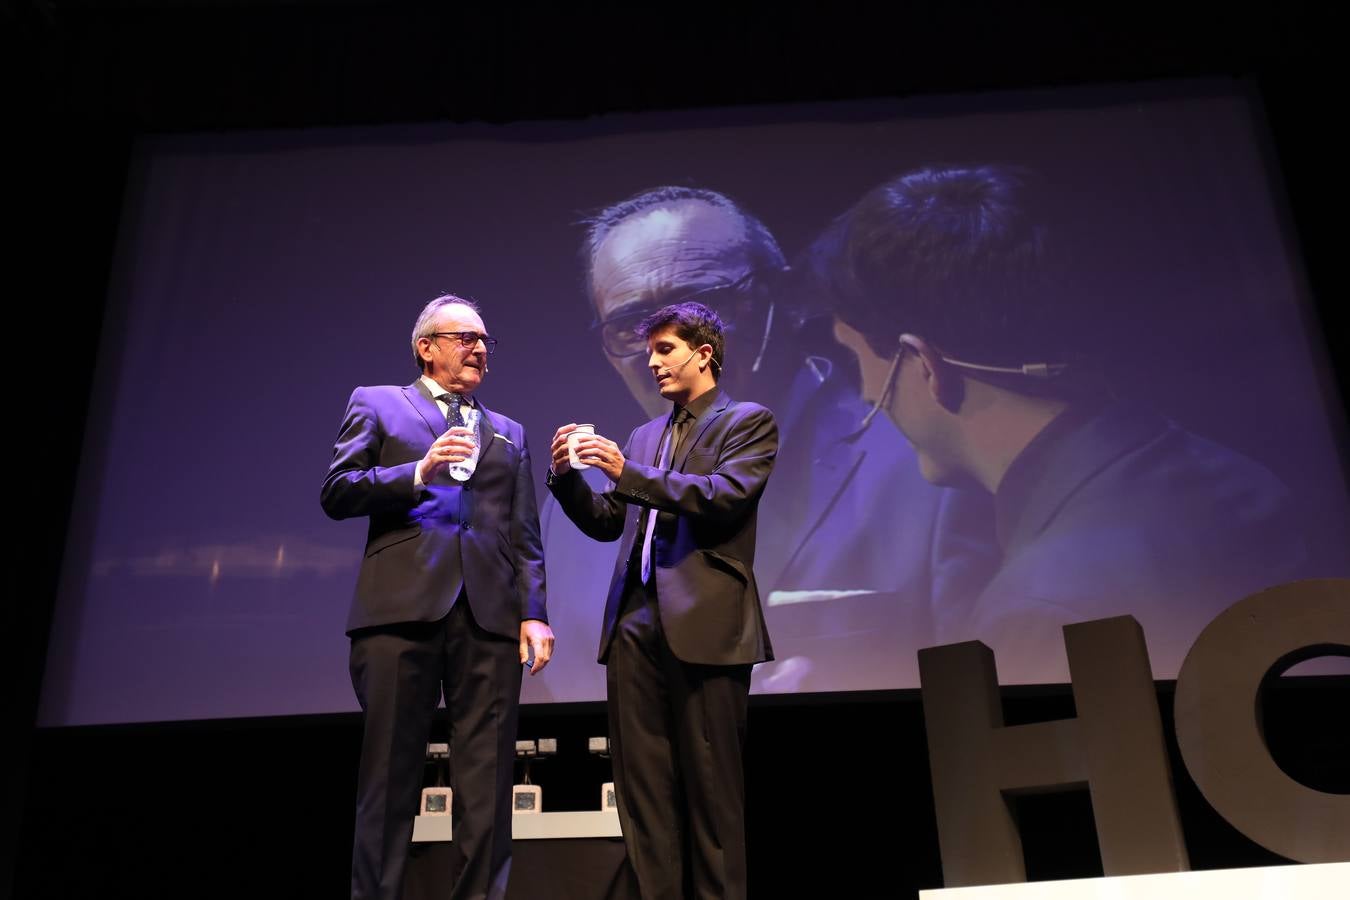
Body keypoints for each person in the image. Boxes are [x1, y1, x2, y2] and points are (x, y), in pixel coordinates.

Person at [822, 164, 1308, 680]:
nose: (868, 393)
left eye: (856, 361)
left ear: (922, 363)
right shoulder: (1243, 482)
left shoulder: (1041, 610)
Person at [536, 186, 995, 698]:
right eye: (629, 324)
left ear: (787, 301)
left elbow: (983, 695)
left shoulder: (923, 467)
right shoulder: (576, 512)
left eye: (702, 305)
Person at [321, 294, 554, 900]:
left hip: (490, 617)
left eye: (484, 341)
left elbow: (522, 532)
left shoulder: (509, 431)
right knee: (390, 778)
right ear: (426, 347)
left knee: (486, 781)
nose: (479, 349)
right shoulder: (377, 403)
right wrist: (415, 473)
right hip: (401, 612)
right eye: (464, 338)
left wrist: (534, 612)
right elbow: (338, 491)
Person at [547, 301, 775, 899]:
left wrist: (627, 473)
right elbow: (605, 522)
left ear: (704, 354)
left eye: (664, 349)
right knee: (643, 794)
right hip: (634, 624)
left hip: (707, 625)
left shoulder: (746, 421)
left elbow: (722, 496)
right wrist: (567, 479)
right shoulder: (645, 435)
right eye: (649, 352)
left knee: (712, 794)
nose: (652, 363)